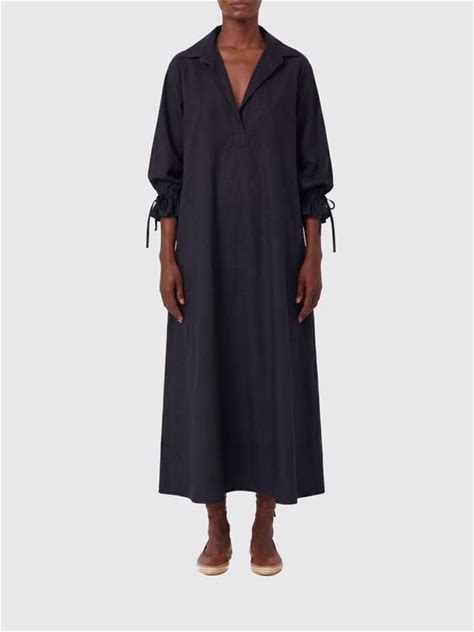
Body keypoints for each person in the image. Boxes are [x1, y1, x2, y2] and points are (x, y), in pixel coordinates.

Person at [146, 0, 335, 576]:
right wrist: (167, 256)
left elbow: (312, 172)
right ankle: (215, 522)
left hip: (276, 255)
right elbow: (169, 172)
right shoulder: (186, 70)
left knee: (273, 376)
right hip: (203, 254)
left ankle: (265, 521)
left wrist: (312, 256)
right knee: (208, 374)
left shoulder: (293, 69)